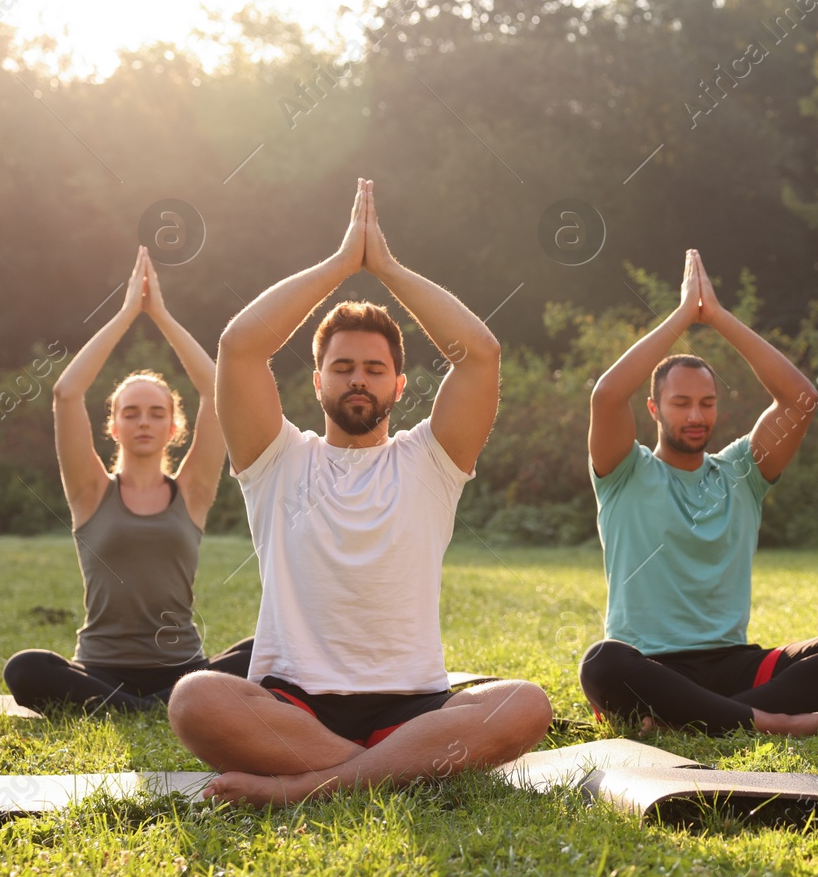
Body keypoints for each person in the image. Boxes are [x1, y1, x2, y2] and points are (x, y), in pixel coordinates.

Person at [167, 179, 551, 805]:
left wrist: (389, 269)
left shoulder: (433, 460)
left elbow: (479, 354)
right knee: (194, 699)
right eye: (342, 367)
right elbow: (239, 347)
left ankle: (309, 789)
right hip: (294, 706)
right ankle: (394, 773)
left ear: (400, 385)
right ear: (317, 380)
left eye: (374, 369)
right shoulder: (275, 459)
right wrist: (342, 265)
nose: (358, 381)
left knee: (525, 704)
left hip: (412, 705)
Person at [578, 249, 818, 736]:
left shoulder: (743, 471)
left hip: (732, 666)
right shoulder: (623, 471)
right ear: (655, 410)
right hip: (651, 668)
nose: (696, 417)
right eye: (681, 404)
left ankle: (697, 719)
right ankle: (771, 721)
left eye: (707, 403)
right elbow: (607, 395)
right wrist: (682, 317)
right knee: (601, 662)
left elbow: (801, 398)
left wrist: (718, 318)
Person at [3, 248, 251, 715]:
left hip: (183, 666)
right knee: (25, 668)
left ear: (175, 427)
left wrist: (159, 315)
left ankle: (137, 705)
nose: (143, 422)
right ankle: (156, 707)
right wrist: (124, 315)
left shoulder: (192, 492)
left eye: (157, 413)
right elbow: (66, 392)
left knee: (269, 649)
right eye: (130, 413)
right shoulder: (90, 492)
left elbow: (216, 388)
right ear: (112, 426)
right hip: (99, 669)